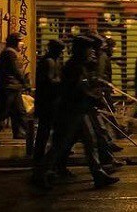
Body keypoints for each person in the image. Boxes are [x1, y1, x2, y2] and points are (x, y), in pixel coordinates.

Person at [37, 35, 119, 189]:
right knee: (60, 144)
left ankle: (98, 173)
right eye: (89, 49)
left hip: (80, 111)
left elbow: (84, 85)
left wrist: (97, 85)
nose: (92, 52)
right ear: (82, 50)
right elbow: (75, 90)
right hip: (70, 112)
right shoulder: (73, 67)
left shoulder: (80, 66)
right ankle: (41, 173)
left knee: (90, 141)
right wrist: (93, 97)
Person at [0, 33, 30, 145]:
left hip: (14, 87)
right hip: (8, 87)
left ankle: (28, 134)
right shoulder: (9, 53)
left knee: (20, 111)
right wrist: (24, 83)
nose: (22, 44)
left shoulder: (12, 53)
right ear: (15, 42)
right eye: (20, 41)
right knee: (2, 112)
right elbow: (15, 70)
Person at [31, 39, 64, 179]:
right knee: (45, 131)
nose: (62, 53)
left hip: (51, 102)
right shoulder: (49, 62)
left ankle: (41, 159)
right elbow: (50, 81)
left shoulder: (51, 61)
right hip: (48, 103)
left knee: (46, 131)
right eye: (60, 50)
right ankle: (40, 161)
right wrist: (63, 84)